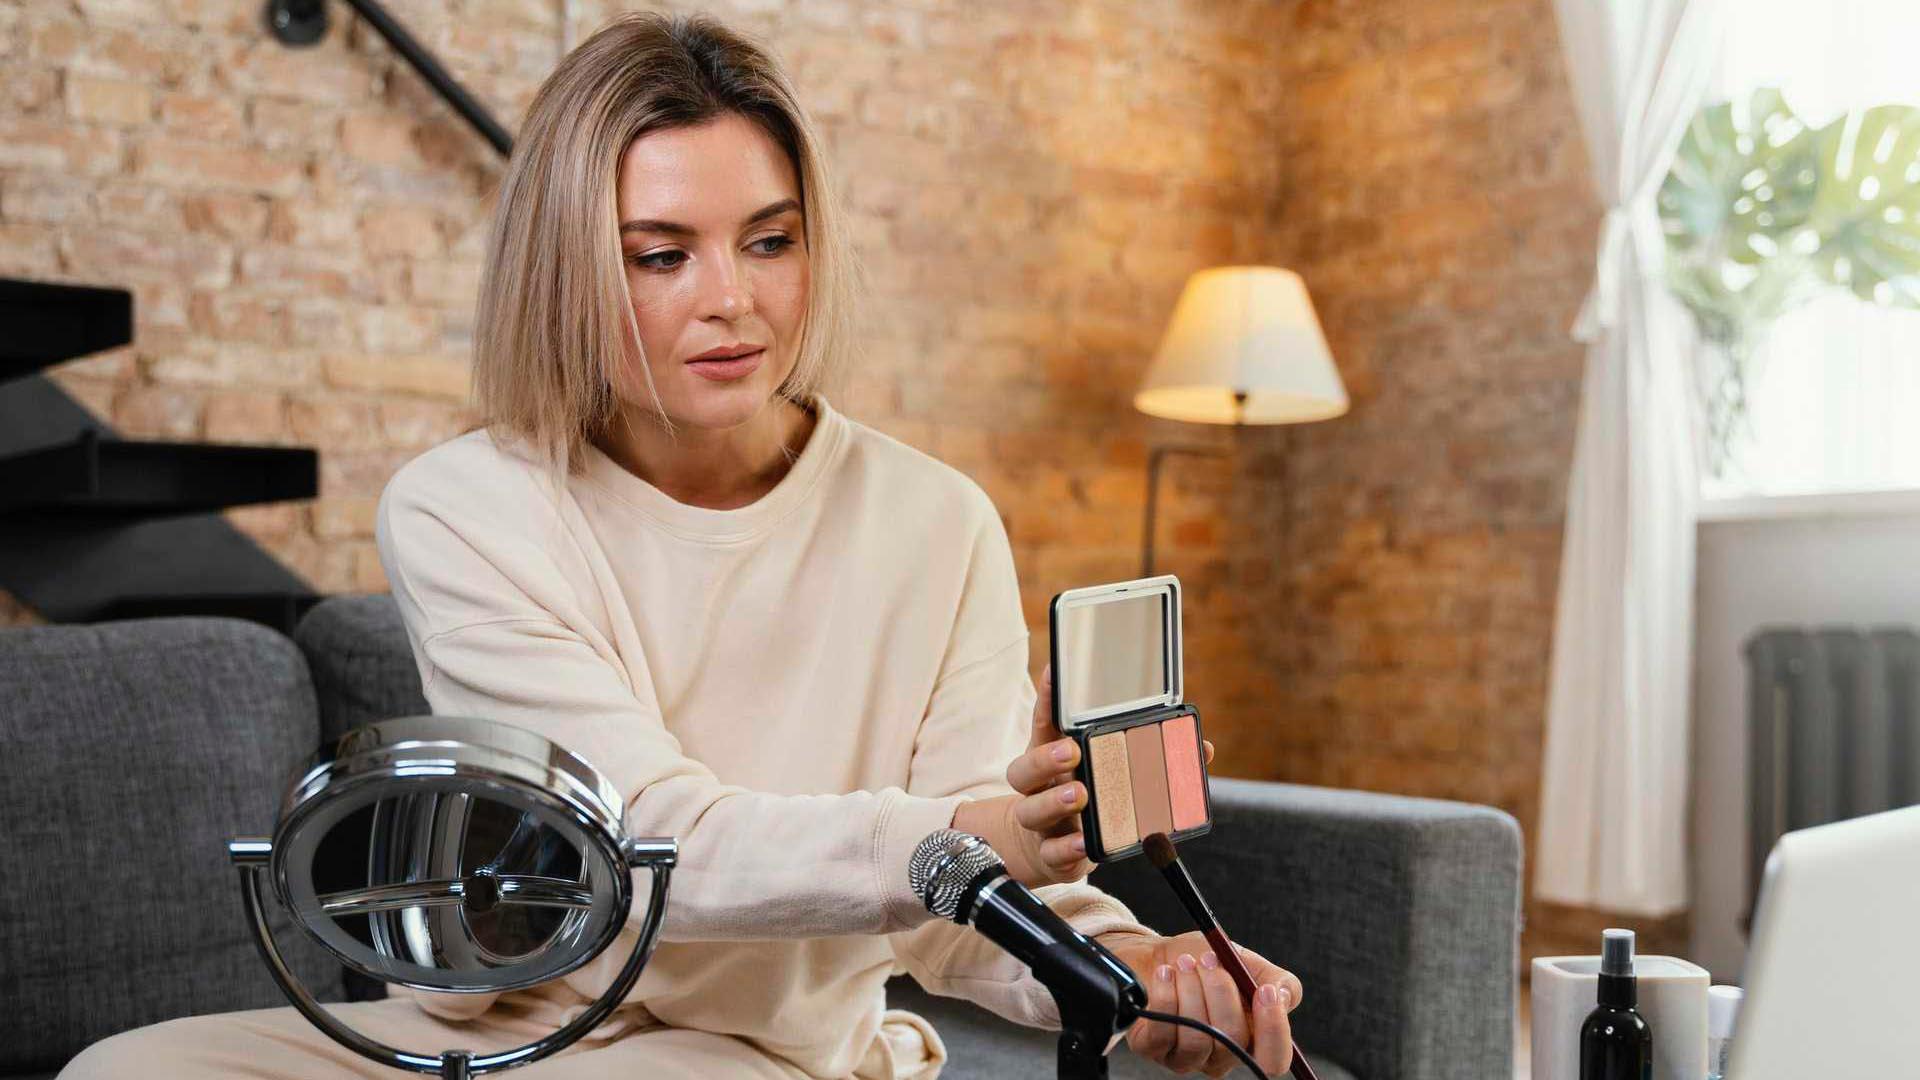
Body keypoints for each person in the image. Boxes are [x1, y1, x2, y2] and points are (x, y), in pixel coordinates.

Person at [61, 12, 1300, 1079]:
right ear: (565, 270)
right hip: (519, 1031)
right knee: (118, 1068)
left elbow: (952, 914)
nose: (733, 300)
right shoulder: (464, 507)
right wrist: (963, 835)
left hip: (754, 1052)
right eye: (662, 255)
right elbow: (643, 842)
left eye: (771, 240)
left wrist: (1138, 970)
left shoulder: (935, 522)